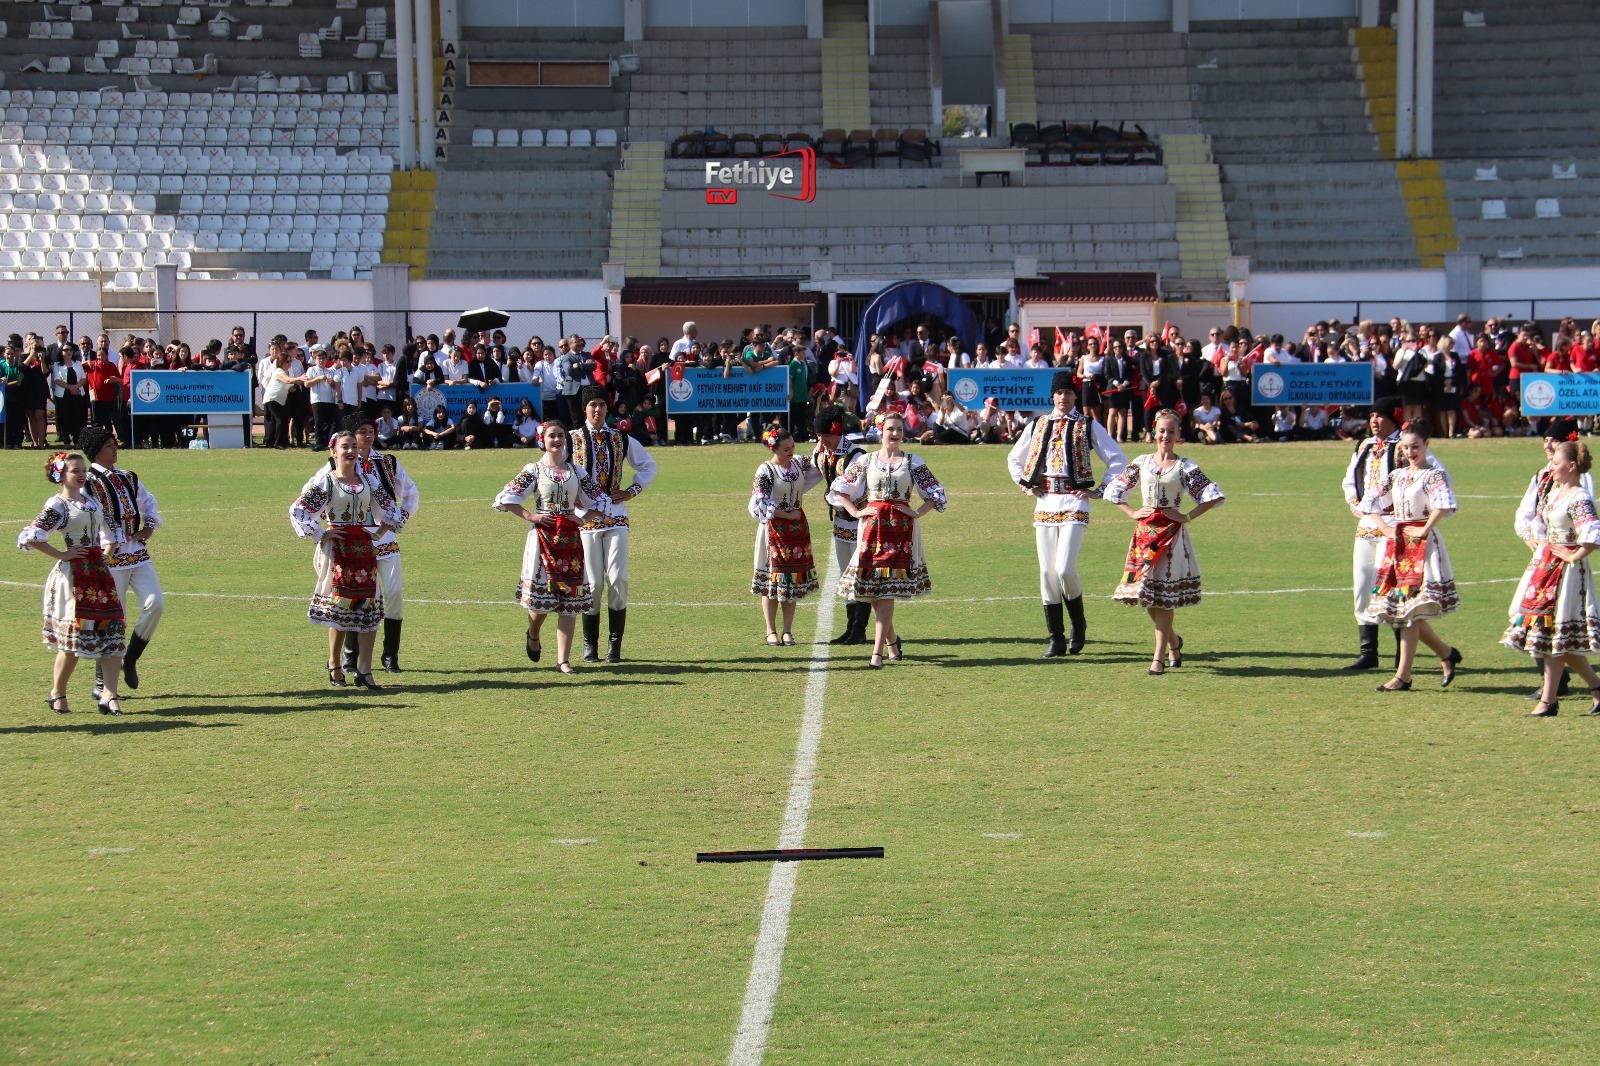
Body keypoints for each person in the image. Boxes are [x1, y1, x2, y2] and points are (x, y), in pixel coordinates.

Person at [1005, 371, 1129, 657]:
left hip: (1075, 502)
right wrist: (1025, 486)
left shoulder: (1087, 425)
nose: (1063, 398)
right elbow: (1014, 457)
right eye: (1059, 393)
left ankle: (1078, 623)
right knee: (1047, 572)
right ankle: (1056, 637)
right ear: (1053, 396)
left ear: (1075, 396)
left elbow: (1117, 460)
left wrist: (1100, 490)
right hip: (1045, 499)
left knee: (1064, 568)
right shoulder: (1038, 424)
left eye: (1068, 393)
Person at [1105, 409, 1225, 675]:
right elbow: (1114, 490)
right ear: (1154, 431)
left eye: (1171, 431)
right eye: (1161, 430)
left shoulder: (1185, 466)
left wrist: (1186, 517)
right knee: (1146, 595)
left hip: (1172, 537)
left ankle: (1158, 658)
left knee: (1165, 598)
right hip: (1145, 536)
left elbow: (1213, 495)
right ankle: (1173, 641)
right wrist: (1133, 512)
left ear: (1178, 434)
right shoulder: (1142, 461)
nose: (1165, 436)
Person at [827, 409, 948, 669]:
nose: (895, 434)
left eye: (899, 430)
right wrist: (856, 511)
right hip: (871, 529)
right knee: (872, 590)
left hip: (901, 531)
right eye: (891, 429)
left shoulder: (912, 461)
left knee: (888, 591)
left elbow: (935, 493)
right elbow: (840, 488)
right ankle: (892, 643)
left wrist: (916, 512)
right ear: (880, 431)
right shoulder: (867, 460)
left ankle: (877, 652)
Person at [289, 428, 402, 689]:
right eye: (345, 447)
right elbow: (299, 510)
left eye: (354, 446)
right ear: (334, 451)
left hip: (363, 550)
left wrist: (379, 532)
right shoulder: (326, 482)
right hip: (338, 551)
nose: (351, 451)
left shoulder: (367, 481)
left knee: (369, 607)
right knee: (340, 608)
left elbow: (391, 507)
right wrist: (322, 532)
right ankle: (334, 665)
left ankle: (364, 670)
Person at [17, 451, 128, 715]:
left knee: (113, 635)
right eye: (74, 471)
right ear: (61, 475)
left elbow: (111, 532)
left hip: (99, 575)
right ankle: (58, 692)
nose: (81, 475)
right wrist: (62, 554)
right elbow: (31, 536)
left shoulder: (91, 501)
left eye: (83, 470)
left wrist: (106, 554)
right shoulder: (58, 505)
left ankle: (110, 696)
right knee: (73, 643)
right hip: (73, 577)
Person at [1340, 399, 1446, 671]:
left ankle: (1402, 655)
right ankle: (1368, 651)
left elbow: (1437, 475)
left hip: (1398, 529)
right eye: (1372, 415)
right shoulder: (1364, 445)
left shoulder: (1407, 446)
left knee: (1394, 590)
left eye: (1381, 416)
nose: (1374, 421)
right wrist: (1355, 503)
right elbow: (1351, 479)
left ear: (1394, 419)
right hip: (1367, 524)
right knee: (1362, 585)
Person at [494, 421, 603, 675]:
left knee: (570, 600)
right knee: (542, 601)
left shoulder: (577, 472)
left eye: (561, 435)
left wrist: (584, 517)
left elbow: (601, 499)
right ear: (541, 439)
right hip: (543, 538)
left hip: (571, 540)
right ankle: (533, 632)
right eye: (552, 436)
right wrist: (531, 516)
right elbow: (506, 497)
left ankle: (563, 660)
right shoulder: (534, 470)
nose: (557, 440)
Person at [1365, 420, 1463, 693]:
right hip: (1399, 544)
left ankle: (1403, 675)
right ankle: (1446, 654)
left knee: (1409, 612)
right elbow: (1370, 501)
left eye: (1415, 447)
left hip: (1422, 546)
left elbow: (1444, 505)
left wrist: (1426, 529)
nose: (1410, 452)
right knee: (1407, 611)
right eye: (1406, 448)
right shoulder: (1397, 475)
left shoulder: (1433, 475)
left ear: (1426, 445)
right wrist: (1384, 527)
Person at [1503, 440, 1600, 717]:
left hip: (1568, 574)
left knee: (1554, 634)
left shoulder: (1579, 497)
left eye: (1556, 463)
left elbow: (1592, 534)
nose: (1551, 467)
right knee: (1555, 637)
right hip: (1547, 567)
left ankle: (1548, 700)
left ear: (1570, 466)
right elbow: (1539, 523)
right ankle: (1596, 688)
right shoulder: (1555, 493)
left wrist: (1573, 556)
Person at [570, 384, 658, 663]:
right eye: (592, 405)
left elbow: (648, 465)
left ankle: (614, 646)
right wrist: (573, 503)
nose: (597, 410)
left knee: (618, 578)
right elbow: (556, 473)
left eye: (602, 405)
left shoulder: (620, 438)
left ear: (608, 408)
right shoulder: (571, 440)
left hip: (616, 516)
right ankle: (590, 645)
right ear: (585, 408)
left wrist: (632, 491)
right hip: (585, 520)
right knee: (593, 583)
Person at [77, 425, 163, 697]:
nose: (115, 448)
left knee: (155, 603)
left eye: (114, 443)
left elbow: (149, 503)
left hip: (136, 551)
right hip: (108, 557)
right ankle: (102, 682)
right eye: (108, 445)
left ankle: (131, 658)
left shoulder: (128, 477)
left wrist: (149, 525)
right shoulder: (87, 482)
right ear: (95, 452)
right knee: (114, 620)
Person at [335, 412, 420, 675]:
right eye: (362, 431)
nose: (368, 436)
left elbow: (410, 493)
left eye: (371, 430)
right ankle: (350, 655)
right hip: (353, 539)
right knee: (358, 594)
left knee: (393, 591)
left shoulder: (387, 462)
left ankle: (390, 655)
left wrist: (396, 521)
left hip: (384, 536)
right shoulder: (334, 465)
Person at [749, 425, 824, 646]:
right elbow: (759, 502)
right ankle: (770, 630)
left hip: (797, 529)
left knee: (792, 579)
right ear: (775, 449)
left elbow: (817, 461)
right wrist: (786, 515)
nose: (791, 452)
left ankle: (788, 630)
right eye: (786, 449)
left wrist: (820, 445)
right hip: (774, 530)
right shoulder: (765, 471)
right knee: (772, 582)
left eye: (792, 447)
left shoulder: (798, 463)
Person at [810, 405, 871, 644]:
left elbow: (853, 491)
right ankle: (851, 626)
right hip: (840, 524)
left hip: (860, 523)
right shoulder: (822, 454)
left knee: (861, 575)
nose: (821, 441)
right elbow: (809, 474)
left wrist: (829, 497)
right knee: (847, 575)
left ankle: (860, 628)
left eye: (825, 436)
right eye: (819, 437)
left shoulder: (856, 456)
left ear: (836, 432)